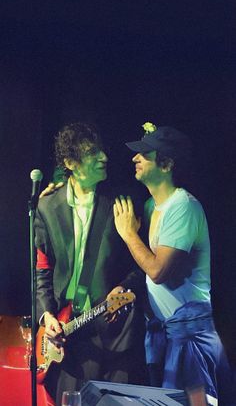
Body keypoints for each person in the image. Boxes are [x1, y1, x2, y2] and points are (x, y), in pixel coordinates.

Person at [113, 122, 234, 405]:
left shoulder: (184, 207)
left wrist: (129, 234)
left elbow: (157, 271)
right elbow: (143, 264)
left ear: (166, 164)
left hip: (190, 338)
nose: (135, 158)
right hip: (165, 334)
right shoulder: (150, 207)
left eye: (145, 154)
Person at [34, 122, 146, 405]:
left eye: (102, 151)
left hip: (111, 335)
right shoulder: (47, 207)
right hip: (66, 337)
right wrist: (46, 316)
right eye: (92, 153)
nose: (103, 158)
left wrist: (124, 286)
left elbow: (139, 264)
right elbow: (42, 272)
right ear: (70, 163)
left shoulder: (120, 202)